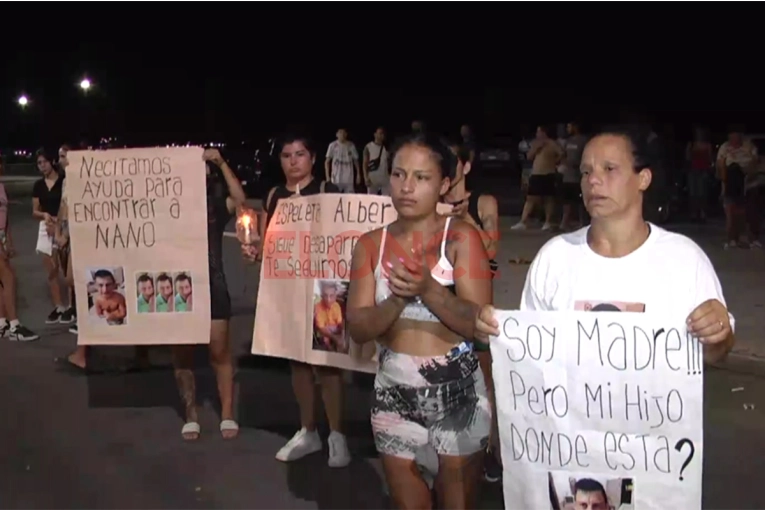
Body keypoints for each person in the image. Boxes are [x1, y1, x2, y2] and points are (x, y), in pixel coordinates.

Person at [476, 125, 735, 366]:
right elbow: (533, 355)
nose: (593, 181)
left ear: (643, 179)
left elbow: (715, 353)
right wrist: (498, 334)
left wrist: (717, 333)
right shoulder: (554, 257)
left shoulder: (684, 258)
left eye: (609, 169)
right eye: (586, 171)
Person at [347, 132, 493, 509]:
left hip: (459, 394)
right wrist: (396, 299)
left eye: (422, 178)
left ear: (444, 184)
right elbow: (359, 328)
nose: (406, 187)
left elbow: (480, 327)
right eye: (398, 174)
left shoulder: (461, 239)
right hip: (393, 392)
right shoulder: (369, 245)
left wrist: (429, 288)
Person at [245, 133, 350, 467]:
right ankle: (308, 430)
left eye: (300, 154)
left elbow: (344, 237)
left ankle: (337, 434)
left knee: (326, 364)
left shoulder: (327, 192)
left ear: (313, 159)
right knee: (297, 362)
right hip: (288, 289)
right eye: (287, 155)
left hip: (323, 290)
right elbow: (267, 244)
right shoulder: (274, 196)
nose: (294, 161)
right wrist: (254, 250)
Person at [173, 147, 246, 441]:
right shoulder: (166, 205)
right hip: (176, 287)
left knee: (220, 352)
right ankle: (191, 414)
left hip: (213, 284)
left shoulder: (215, 203)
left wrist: (220, 161)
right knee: (182, 355)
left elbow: (240, 200)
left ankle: (226, 413)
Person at [442, 141, 501, 482]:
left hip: (478, 311)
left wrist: (465, 218)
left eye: (454, 162)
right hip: (441, 311)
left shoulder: (484, 203)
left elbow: (491, 247)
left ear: (466, 166)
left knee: (485, 386)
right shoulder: (431, 202)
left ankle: (492, 452)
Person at [32, 149, 73, 324]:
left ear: (52, 162)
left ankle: (72, 307)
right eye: (39, 163)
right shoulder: (38, 185)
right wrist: (44, 215)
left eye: (45, 162)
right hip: (46, 227)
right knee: (51, 271)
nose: (42, 166)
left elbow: (67, 206)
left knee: (66, 270)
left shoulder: (63, 181)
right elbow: (35, 210)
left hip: (62, 226)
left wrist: (58, 222)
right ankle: (59, 307)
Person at [0, 158, 38, 341]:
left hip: (2, 235)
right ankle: (14, 324)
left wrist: (9, 239)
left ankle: (2, 323)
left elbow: (4, 217)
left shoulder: (0, 186)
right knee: (8, 277)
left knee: (2, 280)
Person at [512, 125, 564, 231]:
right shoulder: (536, 143)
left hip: (548, 173)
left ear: (544, 133)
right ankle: (523, 221)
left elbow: (561, 154)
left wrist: (555, 162)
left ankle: (548, 222)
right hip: (536, 174)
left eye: (539, 132)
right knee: (531, 198)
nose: (537, 134)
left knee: (548, 199)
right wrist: (537, 148)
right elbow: (529, 156)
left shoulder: (552, 143)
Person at [716, 126, 760, 249]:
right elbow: (721, 167)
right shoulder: (724, 148)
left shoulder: (749, 146)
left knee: (750, 213)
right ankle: (732, 239)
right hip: (730, 185)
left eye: (736, 135)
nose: (733, 138)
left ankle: (752, 239)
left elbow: (755, 163)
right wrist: (724, 183)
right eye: (731, 136)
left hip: (748, 184)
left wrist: (747, 174)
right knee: (731, 214)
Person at [559, 122, 587, 231]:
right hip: (567, 176)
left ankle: (582, 223)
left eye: (570, 126)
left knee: (580, 202)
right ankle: (564, 222)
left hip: (578, 177)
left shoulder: (583, 140)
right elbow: (563, 155)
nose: (568, 129)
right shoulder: (568, 141)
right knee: (567, 201)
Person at [686, 126, 713, 222]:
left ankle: (702, 213)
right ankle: (694, 213)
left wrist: (708, 169)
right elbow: (688, 157)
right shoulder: (692, 144)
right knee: (693, 193)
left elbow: (710, 158)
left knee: (702, 193)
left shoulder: (707, 145)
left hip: (703, 171)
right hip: (693, 171)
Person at [325, 128, 360, 193]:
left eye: (344, 133)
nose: (342, 135)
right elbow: (327, 161)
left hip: (349, 178)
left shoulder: (351, 145)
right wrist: (327, 176)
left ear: (346, 134)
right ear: (337, 134)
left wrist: (358, 174)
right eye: (340, 132)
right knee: (335, 197)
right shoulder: (332, 145)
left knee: (350, 198)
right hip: (336, 178)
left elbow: (356, 161)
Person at [362, 127, 390, 196]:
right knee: (371, 198)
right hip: (372, 178)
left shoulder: (386, 148)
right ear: (375, 134)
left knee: (386, 199)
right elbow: (365, 163)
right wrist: (365, 177)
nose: (381, 136)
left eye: (383, 134)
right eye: (379, 133)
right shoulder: (368, 147)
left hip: (384, 178)